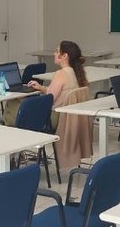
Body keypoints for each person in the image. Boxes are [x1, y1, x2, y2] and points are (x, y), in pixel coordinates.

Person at [24, 40, 92, 169]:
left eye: (57, 51)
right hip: (67, 117)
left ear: (64, 56)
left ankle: (12, 157)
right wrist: (41, 88)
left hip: (55, 118)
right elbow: (56, 93)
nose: (54, 54)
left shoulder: (60, 74)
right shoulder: (77, 73)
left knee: (14, 109)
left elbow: (49, 100)